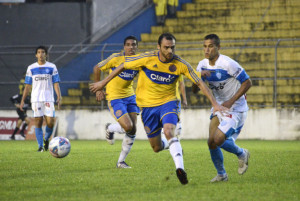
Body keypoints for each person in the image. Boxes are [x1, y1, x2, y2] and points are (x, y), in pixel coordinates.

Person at [90, 33, 227, 185]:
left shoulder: (180, 63)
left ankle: (180, 169)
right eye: (166, 47)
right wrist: (102, 84)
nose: (170, 51)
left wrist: (215, 104)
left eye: (172, 47)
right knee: (156, 147)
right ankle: (171, 143)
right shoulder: (146, 58)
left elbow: (199, 82)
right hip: (148, 108)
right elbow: (123, 65)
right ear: (159, 47)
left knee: (168, 130)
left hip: (169, 103)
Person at [192, 34, 252, 182]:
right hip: (219, 107)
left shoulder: (228, 63)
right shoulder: (202, 65)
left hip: (235, 108)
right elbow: (194, 90)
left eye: (210, 46)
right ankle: (221, 175)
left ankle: (242, 153)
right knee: (211, 142)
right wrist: (198, 76)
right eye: (205, 46)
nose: (207, 49)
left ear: (218, 47)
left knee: (218, 139)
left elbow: (248, 82)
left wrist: (231, 101)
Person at [93, 36, 140, 168]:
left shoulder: (138, 61)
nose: (131, 47)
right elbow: (97, 68)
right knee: (128, 126)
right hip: (114, 97)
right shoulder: (115, 58)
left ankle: (121, 162)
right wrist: (99, 89)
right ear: (124, 47)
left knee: (133, 129)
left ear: (136, 47)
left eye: (133, 45)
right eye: (128, 45)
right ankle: (110, 128)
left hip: (130, 96)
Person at [20, 46, 62, 152]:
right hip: (36, 99)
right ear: (36, 55)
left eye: (43, 52)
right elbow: (27, 86)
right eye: (38, 52)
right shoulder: (31, 68)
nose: (41, 54)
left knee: (50, 122)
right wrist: (22, 100)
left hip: (49, 98)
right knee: (38, 121)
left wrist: (59, 96)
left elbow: (56, 83)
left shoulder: (52, 67)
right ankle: (40, 146)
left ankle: (46, 139)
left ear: (46, 54)